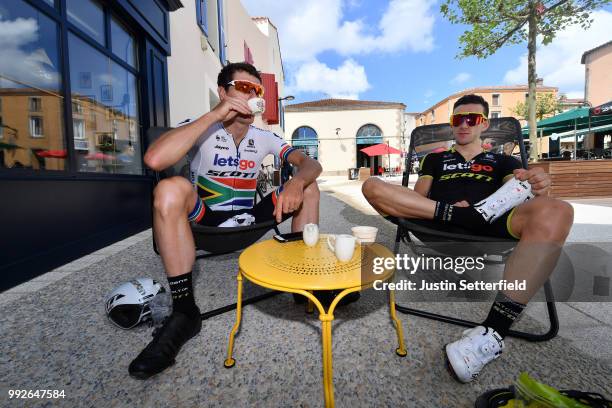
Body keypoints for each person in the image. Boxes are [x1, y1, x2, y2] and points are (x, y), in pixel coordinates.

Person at [362, 94, 574, 383]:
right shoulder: (434, 159)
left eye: (471, 119)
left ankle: (492, 331)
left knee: (559, 210)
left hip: (492, 226)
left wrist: (537, 185)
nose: (463, 124)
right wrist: (447, 211)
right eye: (457, 119)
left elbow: (517, 198)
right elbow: (417, 199)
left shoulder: (503, 161)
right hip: (435, 223)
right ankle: (468, 215)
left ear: (483, 123)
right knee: (372, 185)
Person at [130, 62, 322, 380]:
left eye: (256, 90)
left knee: (309, 186)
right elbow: (154, 160)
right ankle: (184, 312)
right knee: (168, 189)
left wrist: (297, 181)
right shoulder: (201, 126)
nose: (251, 95)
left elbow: (310, 163)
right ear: (223, 92)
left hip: (250, 221)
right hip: (204, 221)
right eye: (242, 87)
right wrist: (215, 114)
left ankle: (303, 286)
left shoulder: (265, 136)